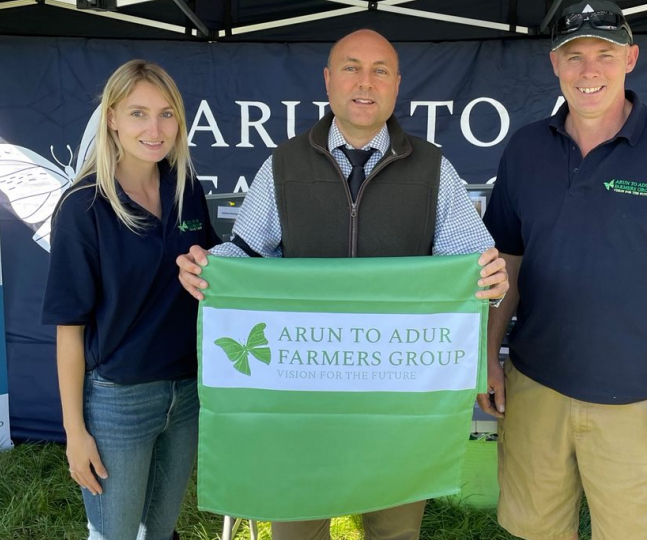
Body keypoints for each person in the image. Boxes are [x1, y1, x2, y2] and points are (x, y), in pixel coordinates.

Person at [176, 29, 508, 540]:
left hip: (397, 395)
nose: (365, 82)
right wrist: (208, 266)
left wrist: (490, 277)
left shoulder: (434, 169)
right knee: (297, 531)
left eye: (380, 71)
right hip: (302, 390)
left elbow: (472, 264)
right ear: (328, 80)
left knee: (393, 531)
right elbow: (248, 250)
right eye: (351, 68)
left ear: (397, 85)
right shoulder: (283, 164)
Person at [477, 1, 647, 539]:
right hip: (536, 390)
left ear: (631, 58)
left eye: (605, 54)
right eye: (574, 56)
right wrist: (486, 356)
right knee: (535, 532)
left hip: (640, 402)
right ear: (554, 65)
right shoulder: (526, 148)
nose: (589, 71)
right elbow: (506, 262)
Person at [42, 60, 220, 540]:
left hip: (185, 394)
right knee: (114, 534)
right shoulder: (83, 206)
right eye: (138, 113)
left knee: (159, 530)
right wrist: (74, 434)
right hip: (119, 401)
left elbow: (217, 275)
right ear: (112, 119)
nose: (154, 128)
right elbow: (69, 330)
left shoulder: (186, 191)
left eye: (166, 114)